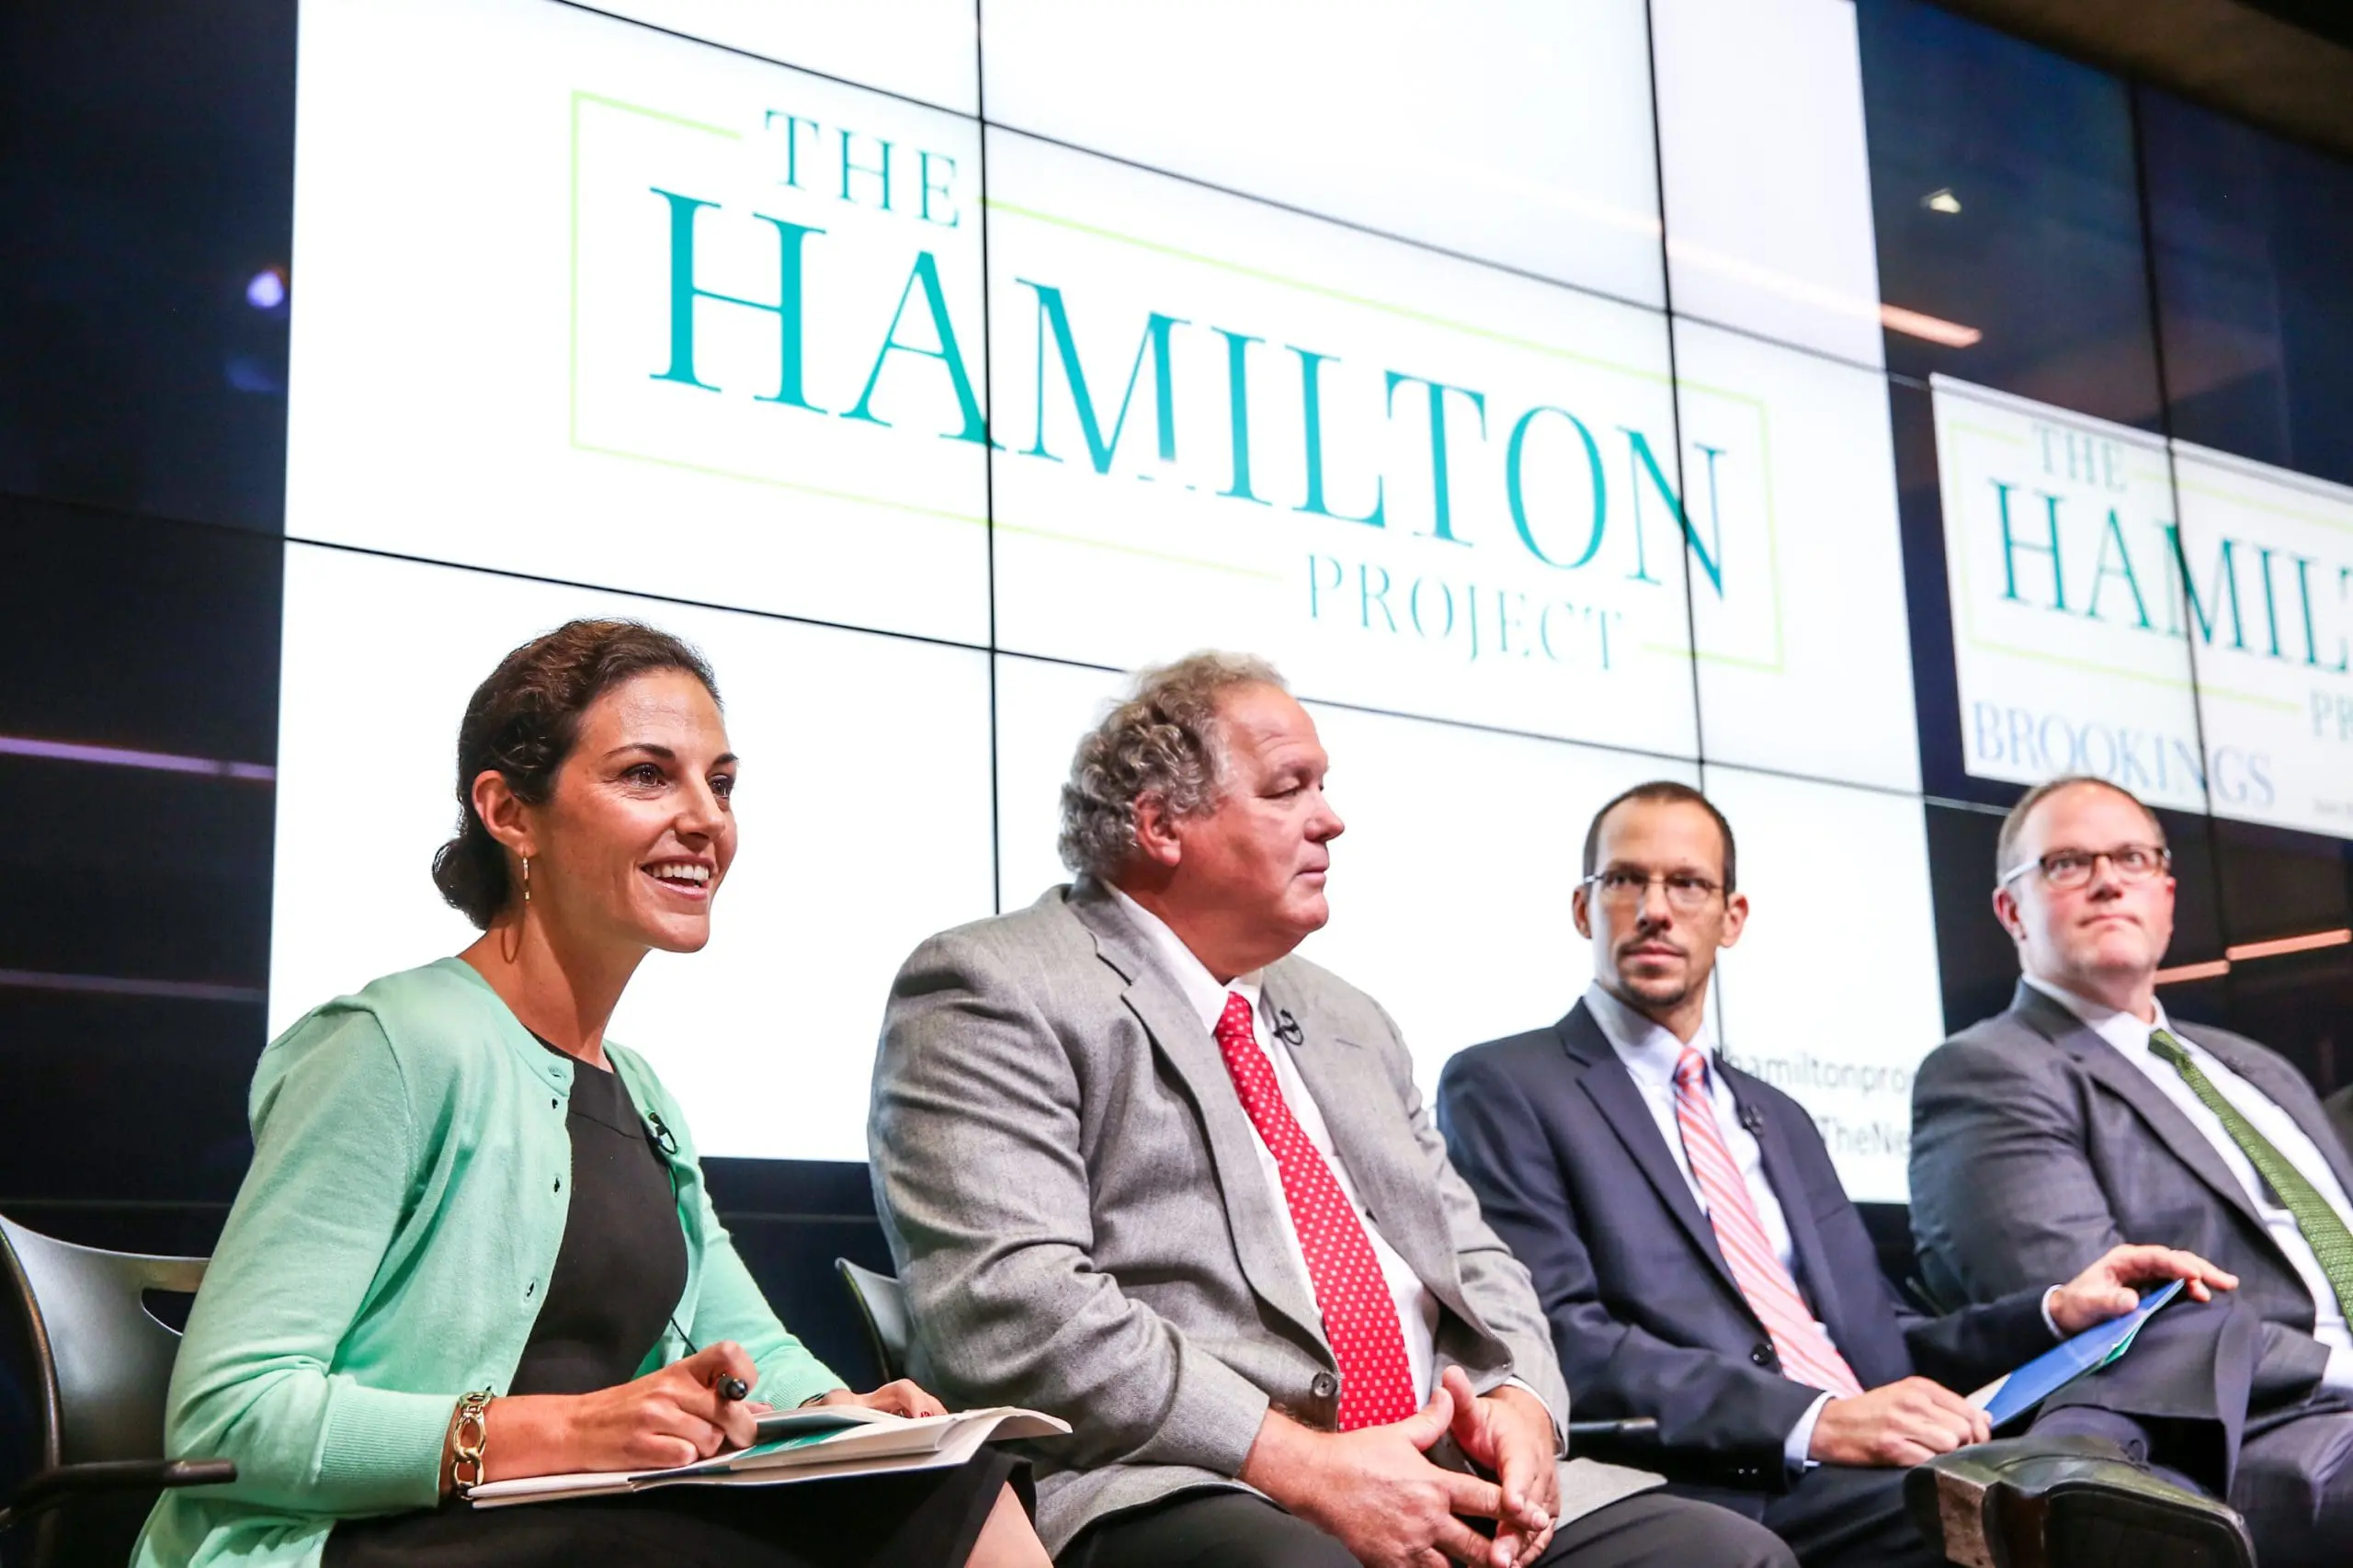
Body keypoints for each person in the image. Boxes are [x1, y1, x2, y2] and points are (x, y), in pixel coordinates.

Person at [136, 620, 1048, 1568]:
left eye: (721, 783)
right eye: (648, 775)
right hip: (360, 1538)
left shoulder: (641, 1092)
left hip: (564, 1528)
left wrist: (842, 1413)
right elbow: (229, 1417)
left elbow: (747, 1345)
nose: (706, 818)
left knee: (945, 1489)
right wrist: (568, 1430)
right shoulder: (389, 1044)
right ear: (510, 812)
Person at [869, 653, 1796, 1568]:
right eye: (1289, 788)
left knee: (1724, 1553)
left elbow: (1476, 1259)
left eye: (1324, 786)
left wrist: (1520, 1403)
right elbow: (1013, 1306)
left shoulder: (1350, 1017)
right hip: (1192, 1480)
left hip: (1444, 1471)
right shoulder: (993, 986)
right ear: (1161, 824)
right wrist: (1301, 1461)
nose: (1331, 819)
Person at [1434, 780, 2236, 1568]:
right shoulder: (1506, 1085)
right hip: (1727, 1481)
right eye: (1624, 880)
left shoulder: (1778, 1116)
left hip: (1880, 1466)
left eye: (1687, 883)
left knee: (2170, 1471)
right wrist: (1815, 1420)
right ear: (1583, 909)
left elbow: (1883, 1343)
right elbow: (1562, 1338)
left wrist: (2056, 1312)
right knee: (2057, 1531)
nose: (1655, 909)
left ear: (1732, 918)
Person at [1910, 774, 2353, 1568]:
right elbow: (2117, 1331)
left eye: (2132, 858)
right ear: (2012, 910)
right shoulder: (1990, 1071)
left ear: (2167, 896)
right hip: (2254, 1435)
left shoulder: (2259, 1070)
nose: (2109, 880)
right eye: (2068, 863)